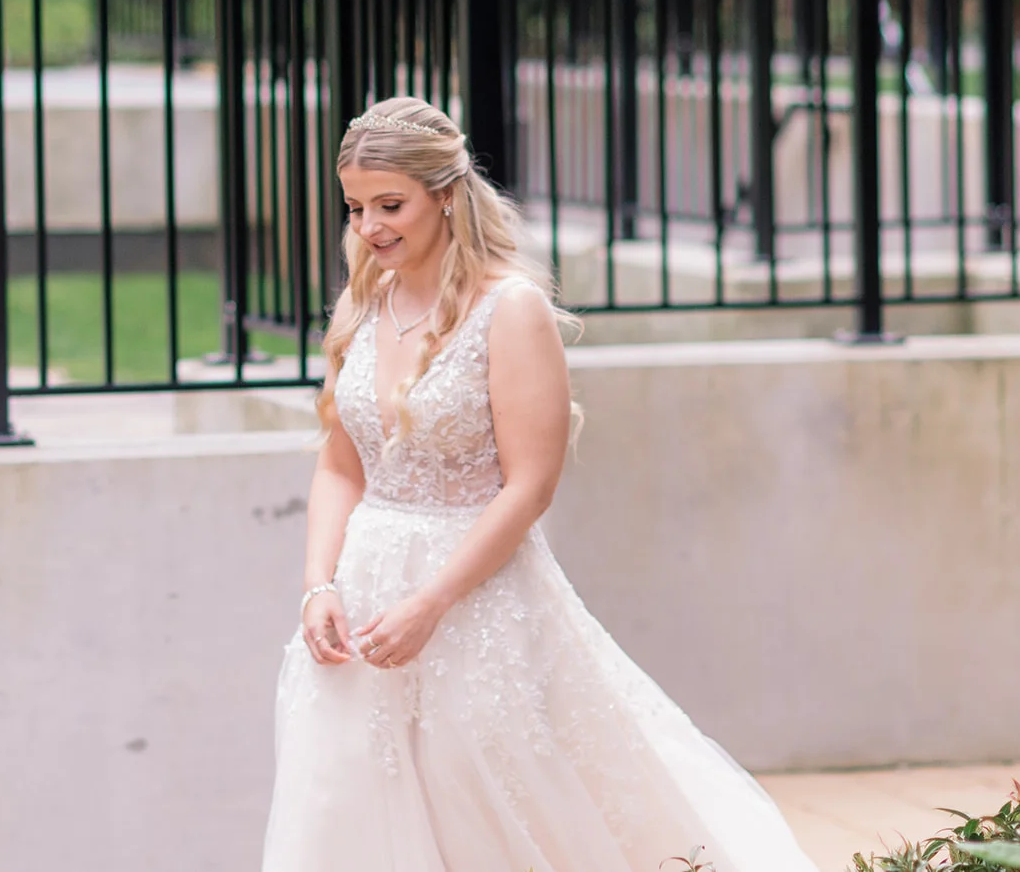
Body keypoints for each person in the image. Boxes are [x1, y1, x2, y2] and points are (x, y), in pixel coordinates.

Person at [261, 96, 819, 872]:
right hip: (364, 599)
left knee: (493, 806)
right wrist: (317, 586)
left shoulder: (509, 310)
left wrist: (432, 602)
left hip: (476, 601)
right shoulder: (365, 304)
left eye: (390, 205)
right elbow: (339, 464)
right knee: (352, 807)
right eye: (355, 207)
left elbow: (529, 486)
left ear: (445, 195)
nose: (369, 227)